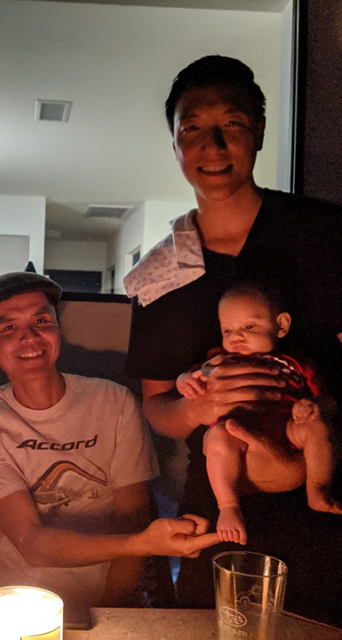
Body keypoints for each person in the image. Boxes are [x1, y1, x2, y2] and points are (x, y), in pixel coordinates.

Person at [123, 55, 342, 626]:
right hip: (224, 505)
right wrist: (198, 407)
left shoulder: (323, 235)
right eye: (192, 127)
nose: (212, 145)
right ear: (175, 142)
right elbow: (157, 407)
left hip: (325, 489)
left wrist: (317, 413)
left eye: (232, 124)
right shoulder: (161, 274)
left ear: (259, 132)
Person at [0, 272, 220, 611]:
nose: (30, 337)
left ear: (57, 328)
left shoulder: (113, 401)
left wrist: (112, 606)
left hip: (114, 595)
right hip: (21, 601)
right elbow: (32, 543)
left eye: (41, 321)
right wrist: (143, 543)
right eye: (9, 328)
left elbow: (132, 515)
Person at [176, 282, 341, 545]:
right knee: (219, 436)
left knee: (317, 426)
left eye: (249, 327)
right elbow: (195, 375)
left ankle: (318, 488)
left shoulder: (296, 364)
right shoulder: (221, 359)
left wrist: (313, 406)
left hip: (286, 429)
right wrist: (184, 380)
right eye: (228, 330)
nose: (236, 337)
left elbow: (328, 401)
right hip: (237, 431)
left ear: (281, 325)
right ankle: (228, 506)